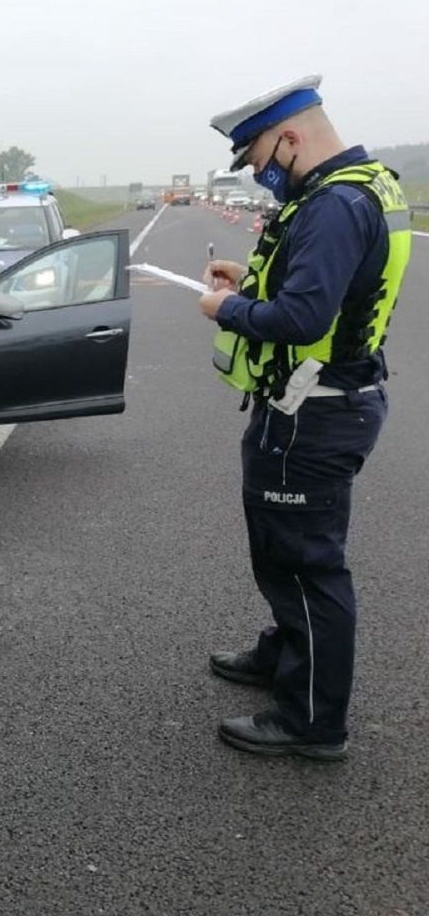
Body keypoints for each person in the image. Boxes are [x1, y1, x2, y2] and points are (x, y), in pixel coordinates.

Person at [198, 75, 413, 761]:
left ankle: (313, 721)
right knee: (283, 552)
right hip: (322, 402)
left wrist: (226, 309)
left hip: (311, 414)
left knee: (305, 565)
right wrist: (250, 280)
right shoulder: (364, 187)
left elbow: (301, 318)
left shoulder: (332, 205)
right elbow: (329, 293)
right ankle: (285, 654)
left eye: (259, 159)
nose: (260, 176)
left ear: (291, 137)